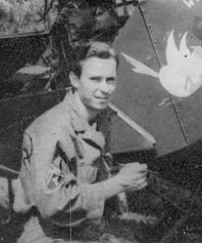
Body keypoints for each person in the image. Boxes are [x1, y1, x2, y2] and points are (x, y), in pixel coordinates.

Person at [14, 41, 148, 243]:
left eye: (110, 80)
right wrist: (118, 184)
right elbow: (54, 206)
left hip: (84, 231)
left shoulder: (100, 118)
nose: (105, 89)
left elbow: (89, 168)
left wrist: (120, 175)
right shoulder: (51, 130)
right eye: (95, 79)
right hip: (48, 235)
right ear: (75, 80)